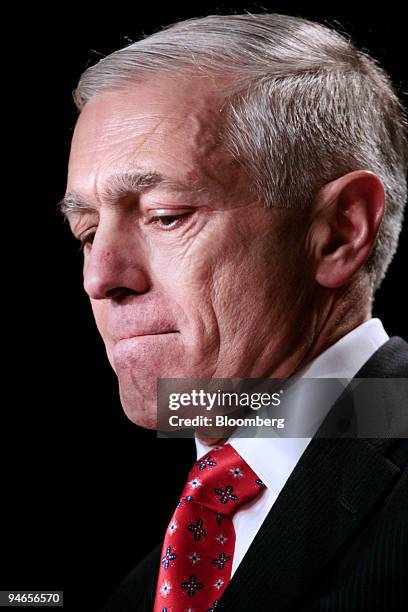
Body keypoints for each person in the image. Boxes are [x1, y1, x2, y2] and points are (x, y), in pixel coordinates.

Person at [59, 13, 408, 611]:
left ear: (339, 232)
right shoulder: (138, 591)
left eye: (166, 216)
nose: (101, 278)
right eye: (87, 232)